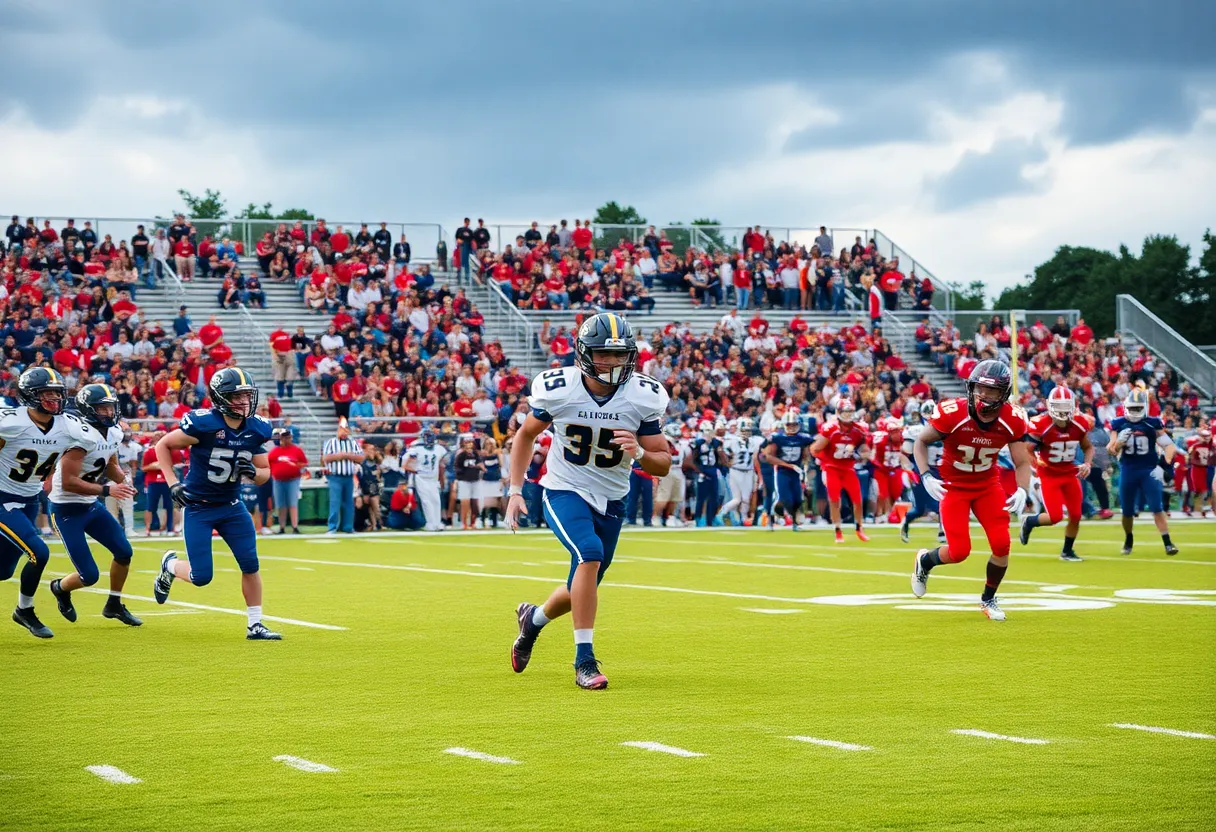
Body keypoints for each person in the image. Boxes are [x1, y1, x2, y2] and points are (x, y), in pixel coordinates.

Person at [505, 312, 671, 690]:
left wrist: (641, 455)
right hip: (564, 487)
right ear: (583, 353)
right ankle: (584, 661)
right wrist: (516, 491)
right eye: (603, 354)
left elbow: (662, 462)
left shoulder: (642, 396)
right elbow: (525, 436)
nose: (613, 363)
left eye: (619, 355)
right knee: (589, 554)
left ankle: (533, 621)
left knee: (585, 579)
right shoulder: (560, 389)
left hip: (613, 497)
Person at [151, 368, 279, 640]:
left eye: (247, 395)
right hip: (199, 507)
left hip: (232, 506)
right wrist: (173, 482)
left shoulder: (257, 428)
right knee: (201, 577)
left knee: (250, 564)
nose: (244, 402)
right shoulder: (203, 424)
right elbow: (163, 445)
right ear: (221, 398)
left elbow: (264, 472)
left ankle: (255, 624)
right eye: (237, 396)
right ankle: (170, 565)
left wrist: (254, 473)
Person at [910, 360, 1032, 621]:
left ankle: (988, 599)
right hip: (954, 487)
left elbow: (1022, 461)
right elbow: (920, 442)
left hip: (988, 485)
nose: (984, 395)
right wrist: (926, 475)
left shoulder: (1013, 419)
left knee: (1001, 544)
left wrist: (1023, 489)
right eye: (979, 388)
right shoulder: (953, 413)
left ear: (1004, 394)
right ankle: (925, 561)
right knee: (959, 551)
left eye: (992, 391)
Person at [0, 369, 93, 639]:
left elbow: (91, 443)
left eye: (57, 392)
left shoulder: (68, 425)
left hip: (30, 500)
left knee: (4, 571)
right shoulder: (10, 422)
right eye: (47, 393)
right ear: (30, 395)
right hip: (3, 498)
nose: (54, 398)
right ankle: (24, 610)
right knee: (39, 552)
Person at [48, 384, 142, 627]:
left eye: (111, 407)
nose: (109, 413)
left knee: (124, 552)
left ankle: (114, 604)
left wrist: (124, 480)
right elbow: (68, 482)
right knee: (88, 576)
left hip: (90, 505)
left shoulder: (113, 433)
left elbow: (110, 461)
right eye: (102, 408)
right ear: (88, 410)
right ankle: (59, 588)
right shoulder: (79, 437)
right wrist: (108, 489)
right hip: (67, 510)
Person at [1019, 386, 1094, 561]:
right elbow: (1027, 450)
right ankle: (1029, 522)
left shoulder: (1079, 423)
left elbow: (1088, 447)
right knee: (1055, 516)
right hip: (1049, 474)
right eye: (1058, 406)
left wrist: (1087, 464)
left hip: (1069, 473)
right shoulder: (1041, 424)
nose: (1061, 411)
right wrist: (1036, 462)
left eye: (1065, 406)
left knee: (1076, 515)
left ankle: (1067, 551)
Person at [1107, 388, 1178, 556]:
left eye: (1138, 408)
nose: (1134, 412)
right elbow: (1110, 450)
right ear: (1126, 407)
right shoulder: (1119, 423)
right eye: (1132, 408)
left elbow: (1169, 446)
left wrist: (1165, 464)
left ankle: (1168, 542)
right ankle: (1128, 537)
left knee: (1156, 507)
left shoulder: (1152, 423)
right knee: (1127, 512)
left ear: (1144, 407)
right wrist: (1119, 444)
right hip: (1128, 469)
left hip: (1149, 470)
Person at [810, 398, 872, 543]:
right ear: (838, 413)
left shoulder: (858, 429)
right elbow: (815, 448)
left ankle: (859, 528)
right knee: (834, 499)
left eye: (850, 411)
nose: (847, 414)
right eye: (845, 412)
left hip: (848, 468)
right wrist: (822, 459)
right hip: (831, 467)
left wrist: (863, 453)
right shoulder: (830, 429)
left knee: (857, 499)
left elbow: (863, 447)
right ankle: (837, 529)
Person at [899, 401, 944, 544]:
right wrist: (908, 470)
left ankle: (942, 532)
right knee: (919, 509)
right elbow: (904, 454)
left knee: (942, 502)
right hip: (921, 471)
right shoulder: (916, 431)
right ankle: (905, 522)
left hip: (940, 470)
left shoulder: (946, 428)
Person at [763, 410, 814, 530]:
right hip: (782, 472)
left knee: (797, 499)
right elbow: (768, 456)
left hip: (796, 472)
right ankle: (770, 518)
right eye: (789, 425)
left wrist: (806, 467)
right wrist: (787, 465)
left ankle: (795, 524)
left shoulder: (803, 438)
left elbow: (806, 455)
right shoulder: (778, 438)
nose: (791, 427)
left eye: (794, 425)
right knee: (785, 498)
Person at [321, 421, 364, 534]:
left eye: (346, 430)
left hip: (348, 476)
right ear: (338, 430)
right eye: (342, 430)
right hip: (335, 476)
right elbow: (325, 458)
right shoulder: (330, 442)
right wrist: (339, 456)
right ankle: (332, 527)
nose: (344, 433)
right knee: (335, 502)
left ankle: (348, 527)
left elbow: (361, 457)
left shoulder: (353, 442)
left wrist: (348, 455)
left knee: (349, 503)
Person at [719, 418, 763, 526]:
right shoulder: (732, 441)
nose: (746, 433)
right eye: (744, 430)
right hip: (736, 471)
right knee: (737, 499)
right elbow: (722, 452)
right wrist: (727, 463)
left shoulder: (753, 442)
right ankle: (722, 512)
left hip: (748, 471)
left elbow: (755, 458)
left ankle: (743, 518)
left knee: (746, 498)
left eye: (748, 430)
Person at [405, 428, 447, 531]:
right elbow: (407, 464)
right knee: (426, 501)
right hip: (421, 477)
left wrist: (441, 479)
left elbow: (441, 463)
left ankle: (437, 522)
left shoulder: (439, 448)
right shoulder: (415, 448)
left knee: (436, 500)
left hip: (433, 478)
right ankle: (430, 523)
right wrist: (417, 471)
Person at [268, 428, 308, 534]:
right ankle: (282, 527)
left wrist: (295, 465)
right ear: (281, 438)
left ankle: (295, 526)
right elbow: (268, 464)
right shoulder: (275, 451)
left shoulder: (296, 450)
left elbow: (304, 463)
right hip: (278, 480)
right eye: (284, 437)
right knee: (281, 504)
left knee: (292, 503)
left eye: (288, 437)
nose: (286, 439)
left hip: (293, 480)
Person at [690, 420, 726, 526]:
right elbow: (693, 459)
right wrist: (699, 471)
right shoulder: (698, 443)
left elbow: (721, 458)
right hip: (703, 470)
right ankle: (698, 518)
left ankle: (711, 518)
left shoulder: (716, 442)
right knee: (701, 497)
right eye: (706, 431)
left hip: (713, 470)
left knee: (714, 497)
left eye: (710, 431)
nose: (708, 433)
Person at [654, 423, 688, 527]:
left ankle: (670, 517)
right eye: (675, 436)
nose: (677, 438)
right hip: (667, 470)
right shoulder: (664, 443)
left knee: (676, 497)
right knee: (663, 496)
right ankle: (655, 517)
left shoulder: (680, 444)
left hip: (678, 470)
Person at [453, 435, 481, 529]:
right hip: (464, 480)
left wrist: (479, 468)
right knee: (465, 501)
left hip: (475, 480)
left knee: (475, 502)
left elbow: (480, 464)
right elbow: (457, 467)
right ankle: (464, 522)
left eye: (471, 443)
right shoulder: (460, 455)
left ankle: (473, 522)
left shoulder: (476, 454)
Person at [478, 435, 503, 529]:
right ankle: (482, 519)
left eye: (492, 444)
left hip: (496, 480)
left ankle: (494, 520)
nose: (490, 445)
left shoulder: (498, 454)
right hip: (485, 480)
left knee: (496, 501)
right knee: (485, 501)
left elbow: (501, 465)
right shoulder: (482, 455)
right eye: (488, 444)